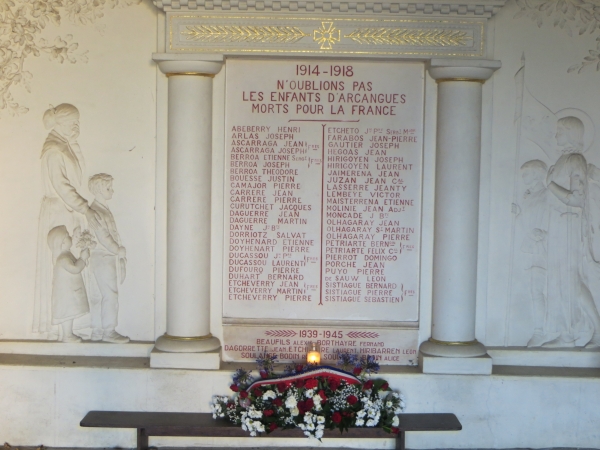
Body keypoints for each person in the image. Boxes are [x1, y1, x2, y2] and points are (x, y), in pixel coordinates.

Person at [33, 104, 101, 339]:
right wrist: (84, 208)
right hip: (60, 213)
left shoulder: (65, 145)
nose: (77, 127)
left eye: (78, 122)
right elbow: (63, 187)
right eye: (73, 122)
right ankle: (64, 331)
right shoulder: (53, 150)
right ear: (60, 124)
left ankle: (73, 327)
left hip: (68, 211)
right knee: (65, 274)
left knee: (72, 272)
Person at [542, 116, 600, 348]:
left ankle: (597, 328)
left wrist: (551, 185)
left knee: (571, 280)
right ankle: (567, 333)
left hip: (570, 226)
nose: (556, 135)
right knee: (558, 281)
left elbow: (577, 199)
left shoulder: (576, 159)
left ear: (572, 133)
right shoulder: (562, 159)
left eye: (560, 131)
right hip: (557, 226)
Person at [87, 173, 129, 344]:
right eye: (108, 188)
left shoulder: (101, 209)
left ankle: (97, 330)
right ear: (98, 190)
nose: (112, 191)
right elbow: (103, 236)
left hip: (103, 257)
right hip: (103, 257)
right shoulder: (96, 211)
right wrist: (117, 249)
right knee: (109, 294)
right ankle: (109, 331)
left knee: (100, 295)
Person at [516, 160, 552, 347]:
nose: (523, 178)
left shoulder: (547, 195)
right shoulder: (529, 196)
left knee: (539, 290)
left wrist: (543, 232)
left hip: (543, 247)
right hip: (531, 247)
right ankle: (540, 329)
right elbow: (526, 224)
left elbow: (552, 219)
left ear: (537, 174)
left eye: (526, 173)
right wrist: (519, 213)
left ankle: (541, 331)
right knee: (534, 291)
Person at [47, 226, 90, 343]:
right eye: (68, 235)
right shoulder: (63, 258)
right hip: (67, 294)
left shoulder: (66, 255)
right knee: (67, 315)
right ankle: (67, 335)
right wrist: (83, 258)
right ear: (62, 242)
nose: (70, 237)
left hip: (68, 292)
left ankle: (64, 335)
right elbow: (75, 268)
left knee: (68, 315)